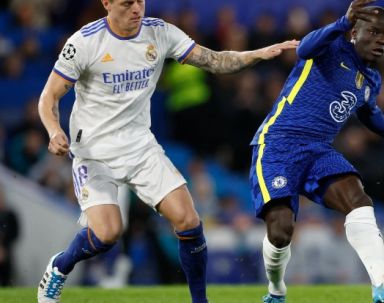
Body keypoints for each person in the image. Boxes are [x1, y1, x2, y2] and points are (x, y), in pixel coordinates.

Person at [36, 1, 298, 302]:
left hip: (140, 146)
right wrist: (54, 131)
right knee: (107, 234)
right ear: (107, 3)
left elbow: (214, 60)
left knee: (189, 220)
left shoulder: (159, 32)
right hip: (94, 152)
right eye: (127, 3)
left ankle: (200, 301)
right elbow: (48, 97)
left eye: (140, 1)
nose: (137, 8)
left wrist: (257, 54)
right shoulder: (84, 42)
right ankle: (59, 267)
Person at [248, 1, 384, 303]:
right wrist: (341, 21)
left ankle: (382, 286)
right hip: (279, 145)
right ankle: (276, 290)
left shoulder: (371, 78)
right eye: (375, 33)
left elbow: (369, 112)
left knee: (358, 199)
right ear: (354, 32)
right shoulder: (331, 45)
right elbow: (303, 49)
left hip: (319, 151)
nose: (382, 41)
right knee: (281, 231)